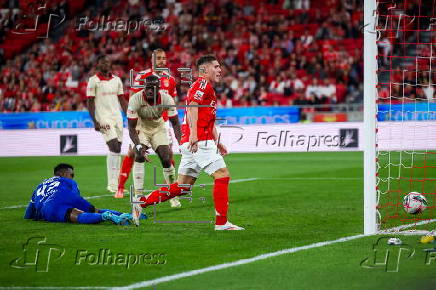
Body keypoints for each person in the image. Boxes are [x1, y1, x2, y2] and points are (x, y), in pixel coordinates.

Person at [131, 55, 244, 231]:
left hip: (196, 141)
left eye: (220, 66)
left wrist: (217, 141)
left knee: (182, 186)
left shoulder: (207, 88)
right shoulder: (202, 84)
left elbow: (209, 119)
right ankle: (222, 223)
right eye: (216, 66)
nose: (220, 70)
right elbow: (192, 107)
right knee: (222, 175)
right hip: (198, 141)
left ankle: (141, 203)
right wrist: (193, 135)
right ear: (204, 69)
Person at [116, 49, 180, 209]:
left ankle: (172, 194)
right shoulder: (141, 76)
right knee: (135, 152)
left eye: (164, 58)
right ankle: (126, 189)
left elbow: (174, 114)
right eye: (158, 58)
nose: (162, 61)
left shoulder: (170, 80)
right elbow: (132, 101)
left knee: (167, 156)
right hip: (140, 122)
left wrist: (182, 141)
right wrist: (136, 133)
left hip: (160, 122)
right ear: (152, 60)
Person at [127, 74, 182, 203]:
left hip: (158, 127)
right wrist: (139, 146)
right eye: (147, 87)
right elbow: (131, 128)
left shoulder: (167, 99)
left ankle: (172, 194)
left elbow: (175, 123)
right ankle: (138, 195)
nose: (150, 90)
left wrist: (181, 144)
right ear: (144, 87)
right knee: (139, 155)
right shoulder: (135, 99)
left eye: (153, 88)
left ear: (159, 88)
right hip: (141, 127)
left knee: (166, 157)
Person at [24, 163, 134, 225]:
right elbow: (74, 198)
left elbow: (28, 214)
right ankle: (128, 215)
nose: (73, 176)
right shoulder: (68, 181)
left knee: (75, 216)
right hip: (62, 198)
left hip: (49, 205)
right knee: (90, 211)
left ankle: (105, 217)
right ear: (62, 173)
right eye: (71, 174)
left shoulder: (40, 185)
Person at [86, 55, 128, 193]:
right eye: (102, 62)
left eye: (107, 62)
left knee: (117, 149)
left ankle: (116, 184)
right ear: (98, 64)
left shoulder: (116, 80)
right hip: (103, 118)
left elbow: (122, 99)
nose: (105, 64)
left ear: (110, 65)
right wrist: (95, 121)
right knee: (114, 146)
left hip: (117, 118)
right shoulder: (93, 81)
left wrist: (129, 114)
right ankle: (112, 184)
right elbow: (90, 102)